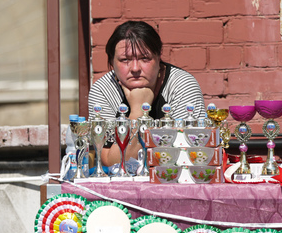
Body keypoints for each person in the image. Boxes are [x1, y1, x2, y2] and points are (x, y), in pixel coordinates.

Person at [87, 20, 206, 167]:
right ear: (111, 61)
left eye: (145, 58)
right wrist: (138, 111)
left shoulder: (182, 85)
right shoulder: (103, 90)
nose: (135, 68)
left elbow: (190, 153)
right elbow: (111, 161)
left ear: (158, 57)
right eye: (125, 60)